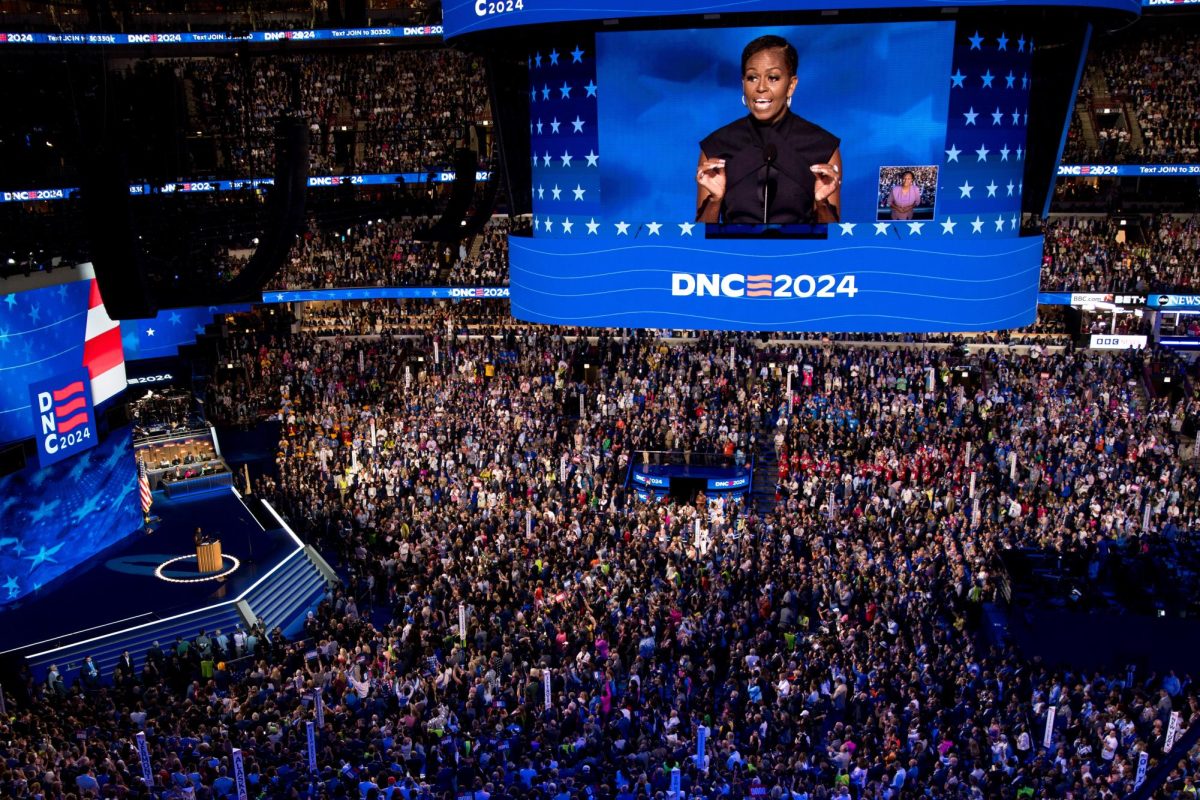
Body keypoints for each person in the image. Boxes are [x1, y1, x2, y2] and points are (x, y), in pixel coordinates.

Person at [696, 35, 842, 224]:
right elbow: (699, 242)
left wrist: (821, 205)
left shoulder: (822, 147)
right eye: (752, 77)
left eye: (773, 78)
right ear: (743, 84)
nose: (761, 88)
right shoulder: (715, 147)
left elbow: (834, 244)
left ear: (791, 85)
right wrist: (715, 201)